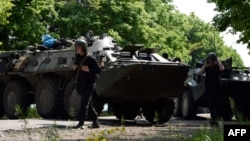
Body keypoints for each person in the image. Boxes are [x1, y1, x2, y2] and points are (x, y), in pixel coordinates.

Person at [73, 39, 101, 129]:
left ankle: (81, 123)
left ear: (83, 48)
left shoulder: (90, 58)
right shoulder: (77, 58)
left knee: (84, 104)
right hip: (82, 84)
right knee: (89, 105)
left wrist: (89, 70)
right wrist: (74, 68)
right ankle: (95, 121)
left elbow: (98, 70)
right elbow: (77, 71)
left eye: (79, 47)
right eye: (76, 47)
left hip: (89, 84)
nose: (77, 48)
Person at [197, 52, 224, 126]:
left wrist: (218, 60)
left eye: (212, 59)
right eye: (209, 59)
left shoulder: (217, 67)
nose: (211, 61)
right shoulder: (207, 67)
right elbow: (200, 73)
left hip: (216, 88)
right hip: (209, 89)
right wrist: (205, 64)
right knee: (211, 105)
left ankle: (216, 120)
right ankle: (213, 119)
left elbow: (222, 69)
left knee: (217, 105)